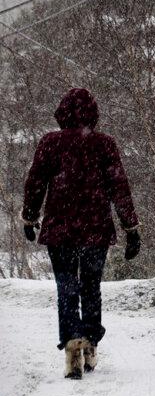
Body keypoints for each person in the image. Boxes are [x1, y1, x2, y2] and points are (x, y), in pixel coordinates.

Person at [21, 88, 140, 379]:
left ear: (62, 113)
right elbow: (119, 188)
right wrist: (131, 228)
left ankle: (73, 342)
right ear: (94, 114)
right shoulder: (104, 145)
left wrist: (29, 217)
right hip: (95, 230)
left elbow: (35, 182)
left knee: (66, 286)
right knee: (90, 287)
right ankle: (90, 343)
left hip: (60, 229)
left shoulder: (51, 143)